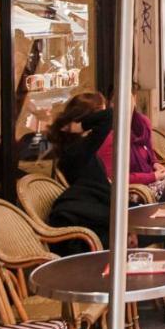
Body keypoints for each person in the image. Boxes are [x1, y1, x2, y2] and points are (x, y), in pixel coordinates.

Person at [47, 91, 113, 243]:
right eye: (97, 114)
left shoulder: (78, 148)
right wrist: (81, 125)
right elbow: (110, 116)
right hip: (97, 227)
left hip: (102, 216)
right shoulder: (77, 151)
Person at [98, 90, 165, 194]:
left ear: (134, 100)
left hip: (154, 180)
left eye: (129, 98)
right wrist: (152, 176)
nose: (126, 104)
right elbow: (115, 178)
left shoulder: (142, 123)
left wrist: (155, 163)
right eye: (118, 101)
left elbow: (150, 152)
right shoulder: (109, 137)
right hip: (135, 191)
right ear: (111, 105)